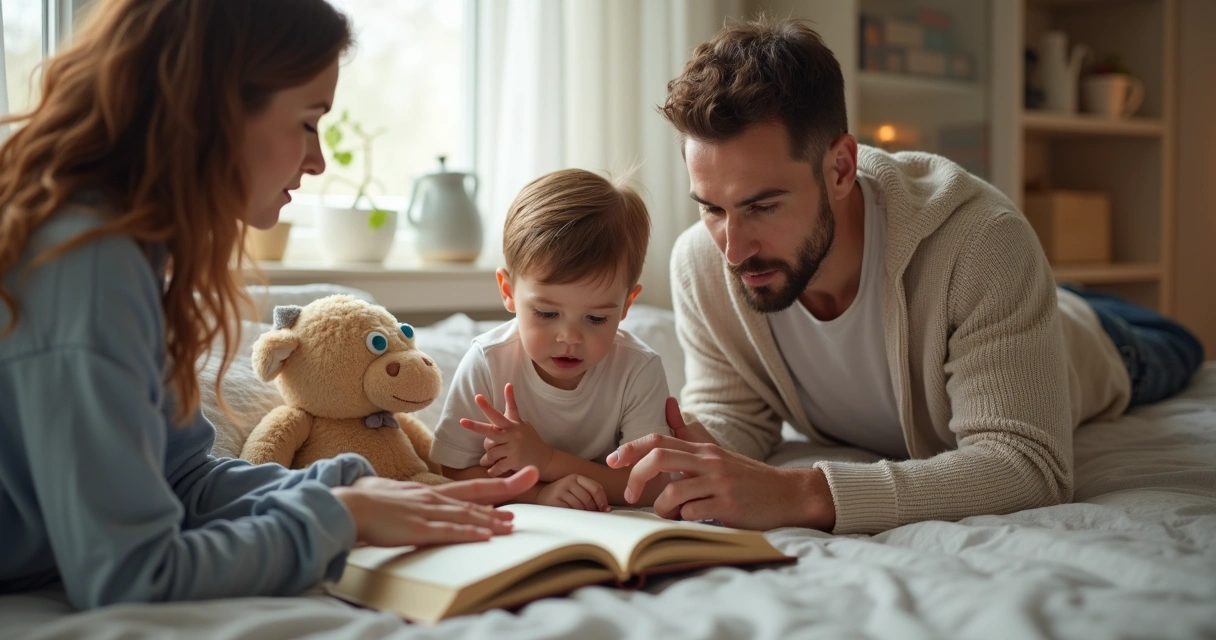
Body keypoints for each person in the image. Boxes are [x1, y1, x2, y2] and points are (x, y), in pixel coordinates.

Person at [0, 0, 537, 610]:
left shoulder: (130, 253)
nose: (319, 160)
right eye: (308, 122)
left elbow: (182, 481)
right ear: (213, 111)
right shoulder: (86, 268)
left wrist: (345, 488)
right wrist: (340, 520)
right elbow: (131, 575)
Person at [607, 16, 1205, 534]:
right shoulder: (701, 262)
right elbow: (736, 414)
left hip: (1112, 343)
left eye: (763, 206)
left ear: (841, 168)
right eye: (712, 208)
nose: (733, 250)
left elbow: (1028, 465)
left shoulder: (984, 242)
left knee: (1183, 344)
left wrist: (803, 493)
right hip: (1003, 306)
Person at [430, 169, 673, 511]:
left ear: (626, 306)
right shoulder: (488, 363)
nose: (570, 337)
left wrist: (547, 461)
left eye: (596, 318)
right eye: (546, 313)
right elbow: (453, 470)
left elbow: (650, 486)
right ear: (508, 291)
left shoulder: (639, 369)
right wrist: (537, 494)